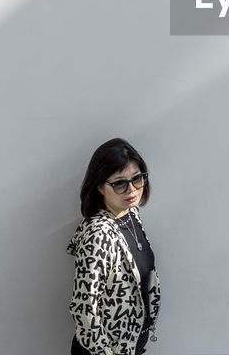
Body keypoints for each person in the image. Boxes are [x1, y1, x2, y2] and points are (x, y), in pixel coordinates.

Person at [67, 138, 161, 355]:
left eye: (137, 179)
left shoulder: (131, 216)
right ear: (100, 186)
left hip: (130, 345)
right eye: (119, 183)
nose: (131, 189)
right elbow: (84, 308)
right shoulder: (98, 235)